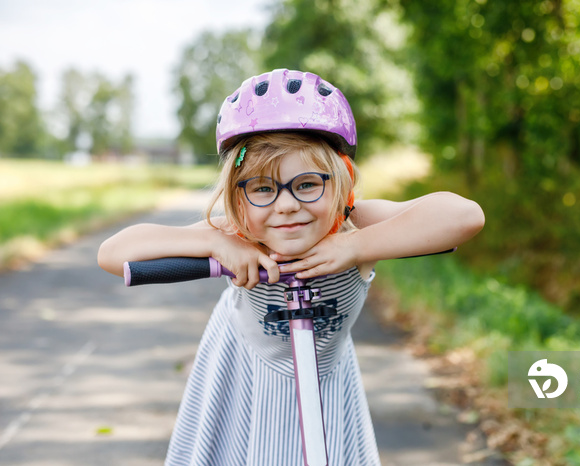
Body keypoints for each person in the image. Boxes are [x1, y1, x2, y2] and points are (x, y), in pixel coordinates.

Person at [98, 69, 485, 465]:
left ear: (341, 183)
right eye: (263, 188)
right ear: (238, 198)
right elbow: (113, 252)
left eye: (306, 184)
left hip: (326, 390)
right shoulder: (238, 230)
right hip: (242, 388)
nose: (286, 205)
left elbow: (464, 215)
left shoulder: (353, 225)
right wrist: (215, 241)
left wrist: (355, 246)